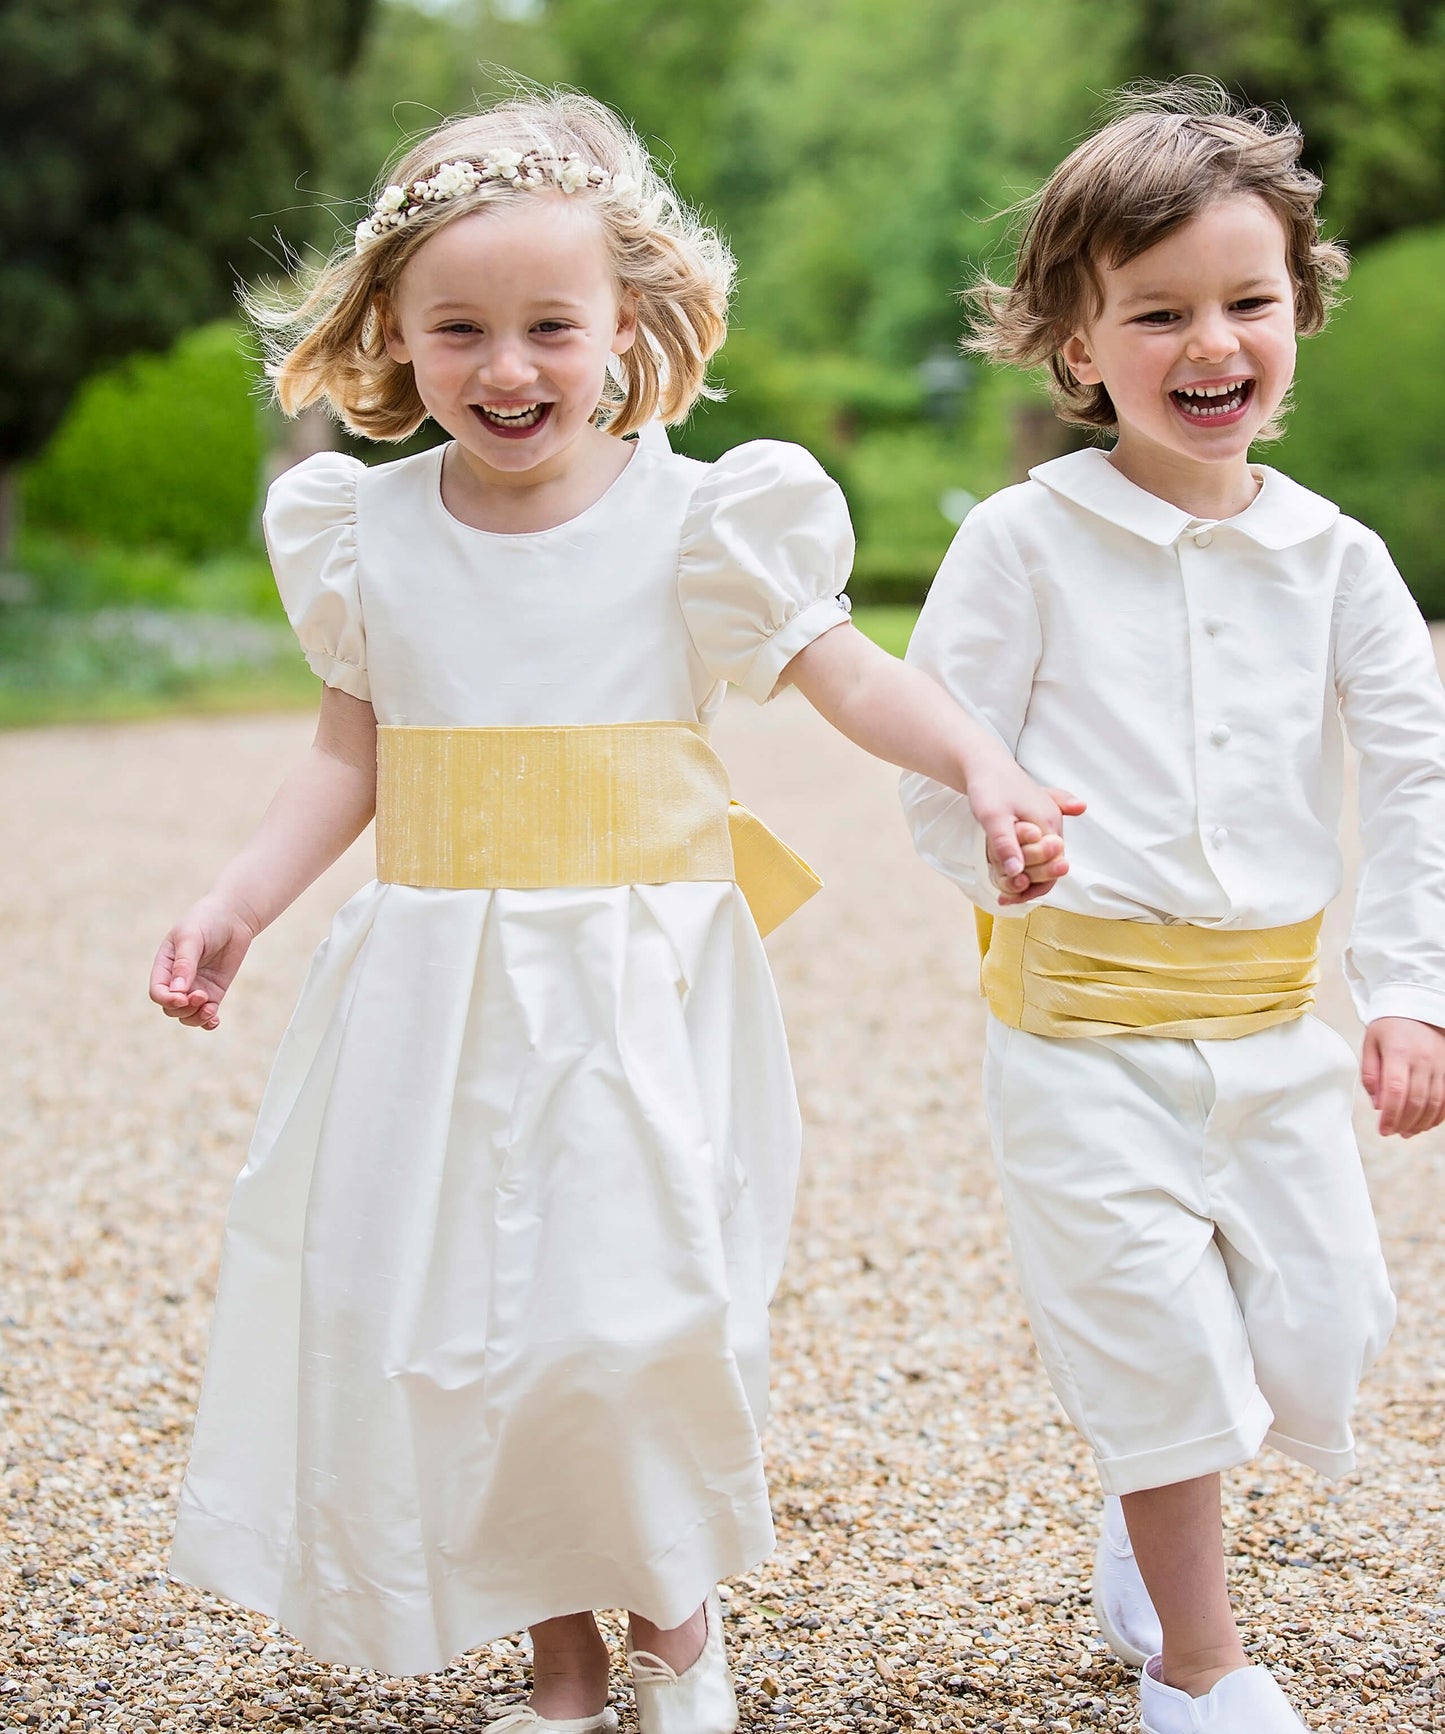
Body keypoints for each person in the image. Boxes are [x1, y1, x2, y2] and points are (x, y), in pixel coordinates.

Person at [149, 91, 1080, 1733]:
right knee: (467, 1333)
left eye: (548, 329)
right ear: (394, 335)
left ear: (628, 327)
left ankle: (677, 1627)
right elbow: (345, 759)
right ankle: (562, 1672)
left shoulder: (701, 518)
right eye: (460, 331)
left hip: (637, 986)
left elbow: (849, 678)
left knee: (628, 1318)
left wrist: (983, 763)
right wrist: (238, 900)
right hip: (434, 993)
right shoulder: (365, 533)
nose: (507, 371)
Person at [900, 82, 1445, 1734]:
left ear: (1298, 308)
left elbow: (1412, 778)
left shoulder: (1337, 558)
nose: (1209, 342)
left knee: (1320, 1326)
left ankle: (1151, 1507)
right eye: (1156, 313)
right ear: (1075, 344)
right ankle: (1197, 1667)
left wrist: (1410, 987)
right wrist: (991, 835)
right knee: (1151, 1339)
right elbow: (938, 757)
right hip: (1075, 1035)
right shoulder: (1020, 542)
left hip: (1273, 1032)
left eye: (1245, 301)